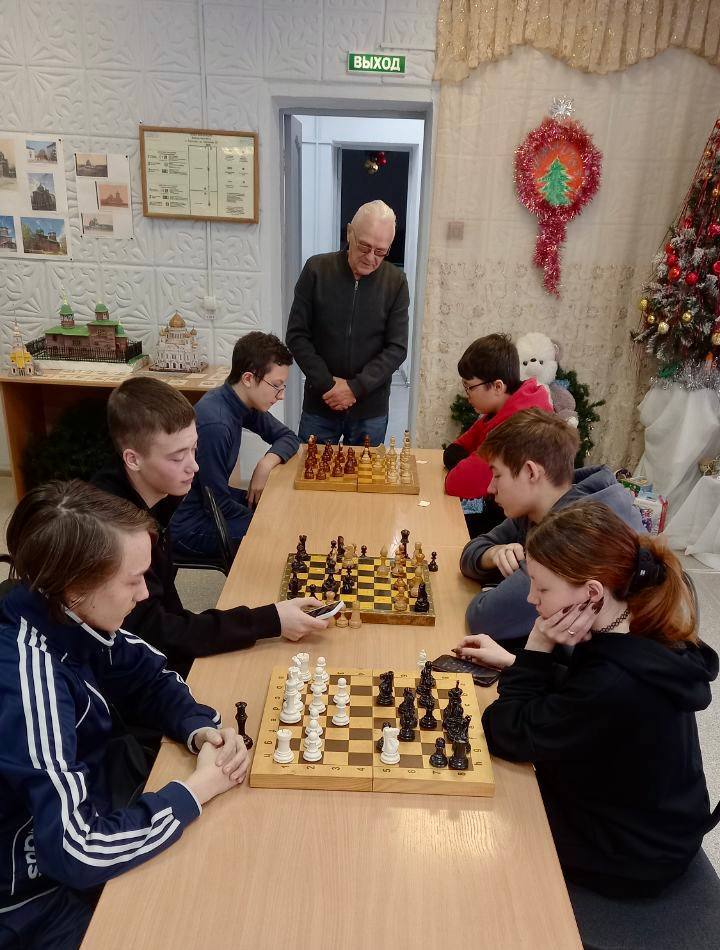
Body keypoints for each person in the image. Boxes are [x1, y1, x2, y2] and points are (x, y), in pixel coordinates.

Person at [0, 481, 251, 948]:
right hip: (30, 900)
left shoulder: (68, 615)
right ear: (77, 587)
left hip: (82, 818)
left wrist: (200, 728)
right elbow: (76, 851)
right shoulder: (29, 680)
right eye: (133, 579)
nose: (144, 594)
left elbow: (149, 675)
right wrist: (196, 790)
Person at [462, 502, 718, 898]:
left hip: (630, 854)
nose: (531, 598)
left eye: (542, 587)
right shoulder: (638, 626)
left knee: (481, 827)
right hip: (657, 824)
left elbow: (503, 730)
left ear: (593, 592)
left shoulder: (612, 683)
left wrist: (537, 645)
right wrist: (516, 662)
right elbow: (582, 695)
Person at [93, 375, 327, 681]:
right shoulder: (116, 531)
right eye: (177, 457)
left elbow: (168, 612)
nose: (194, 466)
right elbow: (160, 634)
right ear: (133, 459)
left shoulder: (159, 493)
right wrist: (269, 620)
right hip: (129, 674)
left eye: (194, 449)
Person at [459, 409, 644, 642]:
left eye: (497, 476)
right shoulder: (539, 507)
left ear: (530, 472)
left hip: (616, 659)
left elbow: (485, 618)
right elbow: (470, 554)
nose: (490, 488)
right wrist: (494, 554)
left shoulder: (572, 536)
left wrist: (495, 585)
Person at [286, 199, 409, 445]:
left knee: (364, 471)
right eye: (364, 246)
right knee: (312, 468)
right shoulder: (316, 270)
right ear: (350, 233)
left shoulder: (395, 282)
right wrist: (328, 385)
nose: (371, 257)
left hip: (370, 407)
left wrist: (355, 388)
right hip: (321, 401)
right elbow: (297, 335)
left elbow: (397, 348)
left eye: (381, 252)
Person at [172, 332, 300, 559]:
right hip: (192, 523)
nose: (280, 396)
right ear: (248, 378)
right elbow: (216, 504)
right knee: (279, 533)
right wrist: (263, 520)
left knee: (282, 511)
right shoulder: (217, 424)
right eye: (276, 386)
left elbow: (288, 437)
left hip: (213, 502)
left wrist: (265, 464)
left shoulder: (241, 401)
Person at [443, 334, 553, 536]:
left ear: (497, 386)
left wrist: (469, 465)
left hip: (522, 532)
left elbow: (457, 483)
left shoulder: (517, 425)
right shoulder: (502, 409)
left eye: (469, 387)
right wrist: (471, 463)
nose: (467, 396)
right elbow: (454, 450)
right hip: (503, 517)